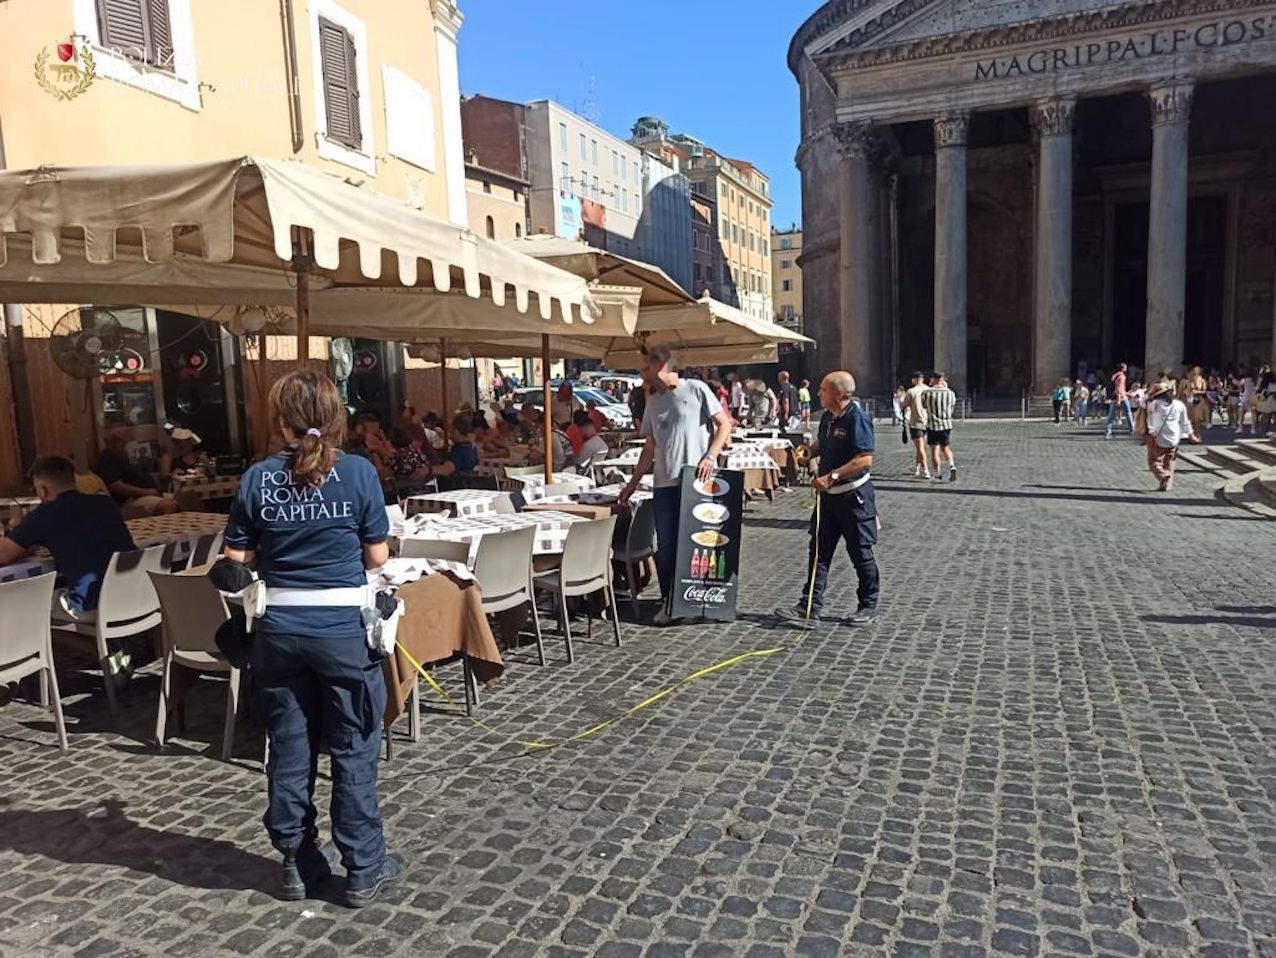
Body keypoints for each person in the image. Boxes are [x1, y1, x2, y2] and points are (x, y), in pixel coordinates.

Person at [224, 370, 402, 908]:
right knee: (353, 746)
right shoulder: (357, 472)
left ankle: (296, 862)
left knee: (290, 747)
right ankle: (364, 866)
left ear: (282, 422)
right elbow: (376, 557)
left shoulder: (258, 478)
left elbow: (236, 559)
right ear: (336, 418)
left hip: (279, 631)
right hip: (342, 631)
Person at [619, 347, 732, 626]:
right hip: (664, 483)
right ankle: (671, 601)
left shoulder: (695, 389)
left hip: (697, 480)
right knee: (667, 546)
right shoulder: (653, 402)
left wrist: (710, 456)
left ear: (663, 366)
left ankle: (704, 601)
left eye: (647, 367)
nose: (643, 373)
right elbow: (649, 448)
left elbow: (723, 425)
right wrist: (632, 484)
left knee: (700, 543)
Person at [775, 371, 879, 627]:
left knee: (860, 553)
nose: (818, 393)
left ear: (839, 394)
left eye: (823, 389)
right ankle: (809, 606)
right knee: (819, 552)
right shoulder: (828, 418)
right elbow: (823, 444)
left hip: (853, 497)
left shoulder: (857, 419)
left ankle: (868, 604)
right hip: (828, 499)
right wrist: (809, 451)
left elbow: (864, 459)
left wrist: (832, 475)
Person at [0, 456, 135, 615]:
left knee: (27, 613)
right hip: (134, 594)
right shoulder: (105, 503)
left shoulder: (44, 515)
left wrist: (16, 529)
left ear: (42, 490)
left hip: (89, 604)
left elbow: (3, 555)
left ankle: (92, 640)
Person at [96, 428, 177, 516]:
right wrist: (146, 492)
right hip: (129, 501)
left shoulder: (122, 458)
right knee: (168, 506)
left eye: (124, 441)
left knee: (181, 501)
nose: (123, 444)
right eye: (119, 441)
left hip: (145, 495)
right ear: (110, 442)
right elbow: (116, 486)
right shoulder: (107, 459)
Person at [1143, 379, 1198, 491]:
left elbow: (1150, 422)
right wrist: (1191, 434)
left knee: (1154, 462)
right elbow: (1185, 422)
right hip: (1174, 437)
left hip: (1158, 437)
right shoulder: (1179, 404)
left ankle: (1163, 475)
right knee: (1170, 461)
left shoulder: (1154, 406)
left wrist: (1151, 434)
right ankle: (1166, 485)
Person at [923, 371, 958, 481]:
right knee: (946, 447)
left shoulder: (927, 392)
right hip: (946, 424)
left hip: (933, 425)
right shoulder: (951, 393)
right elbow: (952, 408)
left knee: (934, 450)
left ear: (933, 379)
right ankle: (952, 465)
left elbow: (924, 406)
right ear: (943, 379)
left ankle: (937, 472)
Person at [903, 371, 930, 478]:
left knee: (920, 448)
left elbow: (904, 404)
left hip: (916, 422)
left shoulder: (911, 391)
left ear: (914, 380)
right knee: (922, 447)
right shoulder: (929, 390)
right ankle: (918, 467)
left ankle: (925, 470)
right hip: (928, 422)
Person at [1105, 363, 1136, 439]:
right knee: (1128, 414)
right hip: (1121, 398)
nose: (1126, 369)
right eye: (1125, 368)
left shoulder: (1114, 376)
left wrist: (1127, 393)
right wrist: (1119, 398)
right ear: (1123, 369)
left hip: (1114, 397)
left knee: (1111, 416)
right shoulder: (1122, 377)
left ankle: (1108, 431)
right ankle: (1132, 430)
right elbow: (1119, 388)